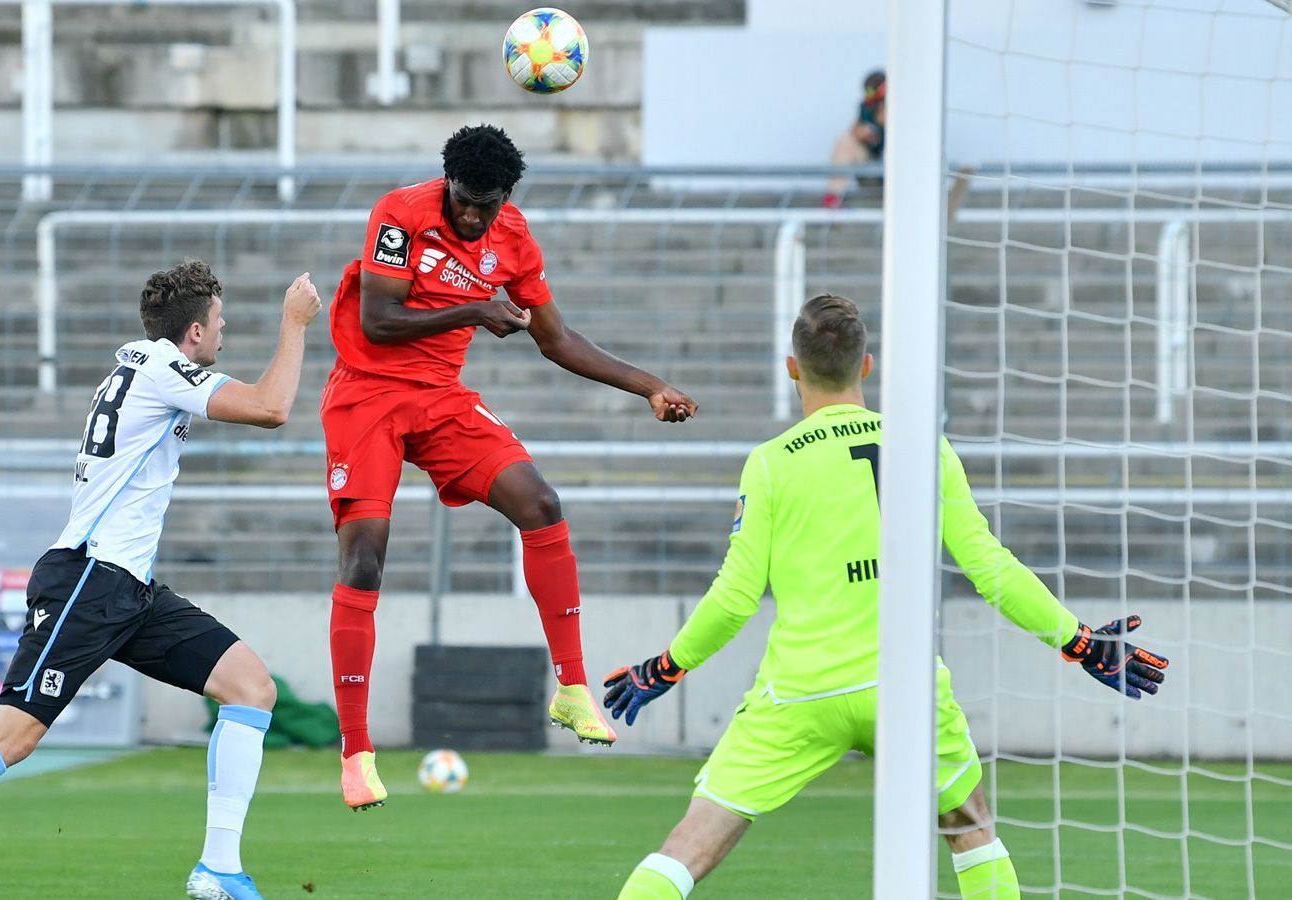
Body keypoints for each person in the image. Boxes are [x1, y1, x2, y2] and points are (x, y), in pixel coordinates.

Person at [606, 293, 1171, 899]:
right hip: (905, 687)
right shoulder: (922, 445)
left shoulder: (770, 464)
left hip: (802, 691)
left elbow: (737, 595)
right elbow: (988, 565)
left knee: (685, 850)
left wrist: (666, 667)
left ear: (792, 367)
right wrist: (1077, 640)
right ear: (866, 365)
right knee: (973, 833)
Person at [0, 260, 324, 900]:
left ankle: (220, 870)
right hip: (90, 581)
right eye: (221, 322)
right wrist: (295, 323)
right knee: (14, 735)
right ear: (196, 333)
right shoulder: (160, 368)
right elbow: (271, 407)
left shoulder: (140, 367)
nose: (225, 330)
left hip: (132, 588)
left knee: (250, 687)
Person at [322, 123, 699, 811]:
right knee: (365, 561)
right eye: (463, 201)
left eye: (485, 204)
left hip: (440, 401)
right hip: (366, 395)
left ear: (506, 198)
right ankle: (356, 751)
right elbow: (377, 320)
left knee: (541, 503)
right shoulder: (400, 214)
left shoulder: (514, 240)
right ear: (446, 186)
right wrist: (473, 309)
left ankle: (573, 688)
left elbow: (556, 339)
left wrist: (648, 385)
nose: (471, 216)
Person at [824, 70, 887, 209]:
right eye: (867, 91)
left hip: (886, 173)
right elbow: (854, 131)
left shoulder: (896, 107)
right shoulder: (866, 107)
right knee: (844, 141)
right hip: (866, 166)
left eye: (872, 91)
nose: (869, 95)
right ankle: (833, 199)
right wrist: (861, 133)